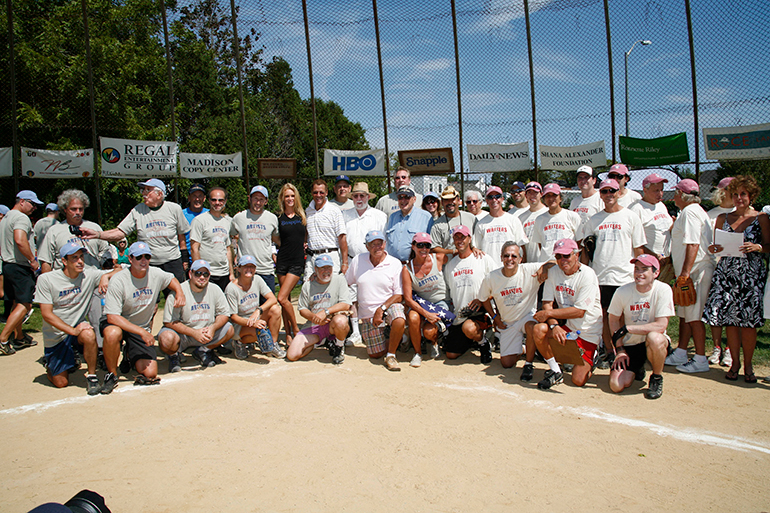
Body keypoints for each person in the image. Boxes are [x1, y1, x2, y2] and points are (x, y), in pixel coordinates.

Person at [703, 175, 770, 383]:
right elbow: (716, 247)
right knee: (730, 321)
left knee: (748, 324)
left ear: (751, 196)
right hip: (728, 274)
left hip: (751, 275)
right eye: (735, 194)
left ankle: (748, 365)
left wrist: (758, 247)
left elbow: (768, 246)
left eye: (743, 194)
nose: (739, 198)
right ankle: (735, 364)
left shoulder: (761, 218)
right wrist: (713, 248)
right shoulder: (723, 219)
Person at [33, 242, 119, 394]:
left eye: (81, 257)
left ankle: (91, 375)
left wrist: (105, 276)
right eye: (74, 258)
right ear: (64, 261)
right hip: (57, 334)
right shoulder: (46, 280)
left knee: (88, 333)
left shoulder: (89, 274)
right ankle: (51, 366)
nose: (80, 261)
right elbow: (46, 314)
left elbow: (119, 269)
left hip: (78, 330)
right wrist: (72, 331)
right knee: (61, 382)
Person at [100, 242, 185, 393]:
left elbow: (171, 278)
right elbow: (112, 317)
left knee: (150, 374)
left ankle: (129, 353)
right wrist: (141, 332)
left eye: (147, 256)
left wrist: (179, 291)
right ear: (130, 258)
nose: (143, 260)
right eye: (139, 257)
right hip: (119, 323)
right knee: (113, 333)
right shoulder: (119, 280)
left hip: (139, 327)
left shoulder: (155, 273)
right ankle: (111, 374)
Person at [38, 189, 116, 353]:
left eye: (81, 209)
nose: (78, 212)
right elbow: (46, 261)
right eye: (73, 209)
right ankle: (64, 349)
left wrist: (106, 275)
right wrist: (48, 287)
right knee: (66, 319)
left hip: (92, 281)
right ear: (65, 209)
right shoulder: (55, 231)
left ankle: (101, 350)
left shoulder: (93, 227)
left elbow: (107, 253)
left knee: (99, 317)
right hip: (67, 285)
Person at [582, 178, 646, 363]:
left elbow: (639, 249)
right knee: (604, 315)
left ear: (619, 192)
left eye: (612, 191)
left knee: (624, 316)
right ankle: (609, 350)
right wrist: (586, 274)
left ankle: (625, 350)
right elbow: (586, 250)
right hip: (600, 275)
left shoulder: (631, 217)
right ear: (600, 195)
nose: (609, 194)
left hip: (624, 275)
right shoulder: (594, 220)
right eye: (605, 191)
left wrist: (639, 273)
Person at [84, 179, 189, 285]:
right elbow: (120, 232)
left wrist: (185, 258)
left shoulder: (174, 209)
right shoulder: (138, 210)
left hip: (172, 262)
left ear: (159, 194)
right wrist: (97, 234)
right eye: (143, 190)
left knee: (177, 296)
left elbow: (182, 236)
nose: (143, 193)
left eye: (148, 190)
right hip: (147, 263)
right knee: (149, 298)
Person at [532, 239, 603, 389]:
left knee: (578, 380)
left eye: (566, 256)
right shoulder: (553, 272)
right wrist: (554, 326)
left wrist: (548, 314)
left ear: (577, 255)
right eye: (558, 256)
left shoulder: (588, 275)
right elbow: (547, 302)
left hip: (588, 331)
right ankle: (556, 371)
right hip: (568, 329)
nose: (562, 260)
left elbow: (579, 311)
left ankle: (593, 356)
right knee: (539, 330)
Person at [478, 242, 550, 379]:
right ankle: (526, 348)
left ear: (520, 259)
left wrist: (545, 267)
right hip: (507, 322)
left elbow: (554, 261)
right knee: (506, 363)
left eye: (514, 256)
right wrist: (494, 317)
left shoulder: (530, 270)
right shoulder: (491, 277)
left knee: (531, 326)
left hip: (526, 317)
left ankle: (528, 364)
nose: (510, 259)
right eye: (506, 256)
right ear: (501, 258)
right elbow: (483, 298)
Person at [665, 179, 716, 373]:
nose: (674, 197)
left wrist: (685, 274)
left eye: (676, 193)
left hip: (697, 270)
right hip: (692, 270)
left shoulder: (690, 211)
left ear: (682, 194)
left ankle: (700, 359)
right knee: (686, 314)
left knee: (694, 316)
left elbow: (693, 244)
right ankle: (681, 352)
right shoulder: (692, 211)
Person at [607, 255, 675, 399]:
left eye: (645, 270)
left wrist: (629, 328)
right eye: (637, 269)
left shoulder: (663, 290)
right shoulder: (623, 291)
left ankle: (656, 378)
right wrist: (619, 349)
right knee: (616, 385)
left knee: (655, 338)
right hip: (631, 344)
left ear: (656, 273)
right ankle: (637, 368)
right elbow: (613, 320)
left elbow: (661, 325)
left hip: (652, 342)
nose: (639, 273)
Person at [345, 230, 406, 371]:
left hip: (389, 307)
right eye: (373, 244)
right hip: (368, 315)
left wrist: (382, 309)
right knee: (375, 354)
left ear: (385, 244)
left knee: (399, 318)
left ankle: (391, 354)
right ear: (367, 246)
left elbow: (399, 295)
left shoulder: (394, 263)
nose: (377, 247)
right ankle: (395, 337)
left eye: (380, 243)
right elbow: (345, 282)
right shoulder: (358, 260)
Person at [158, 260, 235, 371]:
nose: (202, 277)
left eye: (205, 274)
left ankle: (203, 350)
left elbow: (223, 314)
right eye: (198, 273)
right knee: (166, 339)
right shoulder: (179, 291)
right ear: (190, 274)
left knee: (229, 329)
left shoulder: (215, 289)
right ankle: (174, 355)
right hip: (184, 334)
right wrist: (194, 333)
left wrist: (212, 328)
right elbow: (169, 322)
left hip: (206, 332)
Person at [443, 225, 498, 363]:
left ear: (470, 238)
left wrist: (483, 299)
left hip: (480, 310)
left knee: (469, 327)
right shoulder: (450, 265)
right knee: (451, 354)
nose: (460, 240)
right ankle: (471, 340)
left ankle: (483, 343)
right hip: (460, 314)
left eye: (463, 236)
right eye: (457, 237)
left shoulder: (483, 259)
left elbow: (498, 285)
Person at [343, 182, 387, 346]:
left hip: (373, 260)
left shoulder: (379, 215)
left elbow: (384, 241)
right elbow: (341, 240)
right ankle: (355, 331)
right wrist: (345, 261)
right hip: (352, 259)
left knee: (373, 294)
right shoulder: (345, 215)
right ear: (352, 198)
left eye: (362, 195)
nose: (359, 199)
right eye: (356, 196)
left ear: (368, 197)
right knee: (352, 297)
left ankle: (377, 327)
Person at [287, 254, 351, 364]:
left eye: (328, 267)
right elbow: (302, 309)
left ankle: (339, 348)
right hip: (314, 325)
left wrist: (325, 312)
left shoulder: (339, 280)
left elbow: (346, 304)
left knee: (341, 321)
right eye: (322, 268)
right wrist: (314, 318)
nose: (326, 271)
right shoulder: (308, 285)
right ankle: (321, 341)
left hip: (333, 323)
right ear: (315, 269)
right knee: (292, 355)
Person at [0, 190, 43, 355]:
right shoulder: (21, 218)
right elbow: (20, 239)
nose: (34, 208)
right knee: (25, 304)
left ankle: (18, 338)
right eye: (32, 204)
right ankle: (3, 339)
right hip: (19, 266)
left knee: (16, 303)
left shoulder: (5, 218)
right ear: (22, 201)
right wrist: (32, 259)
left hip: (8, 264)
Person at [402, 233, 449, 365]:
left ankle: (433, 341)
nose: (424, 248)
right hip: (421, 304)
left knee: (429, 332)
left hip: (440, 302)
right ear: (413, 246)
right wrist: (426, 314)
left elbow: (461, 254)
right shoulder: (407, 269)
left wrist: (474, 249)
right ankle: (417, 353)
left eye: (427, 245)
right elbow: (408, 298)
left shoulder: (439, 258)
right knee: (412, 317)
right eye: (420, 245)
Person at [225, 255, 284, 360]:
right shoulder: (231, 288)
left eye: (252, 266)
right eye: (245, 266)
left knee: (275, 309)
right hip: (240, 324)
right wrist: (253, 323)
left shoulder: (257, 279)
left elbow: (272, 299)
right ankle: (239, 342)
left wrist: (259, 310)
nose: (249, 269)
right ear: (238, 268)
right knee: (261, 332)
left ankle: (273, 345)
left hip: (254, 316)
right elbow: (233, 317)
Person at [705, 176, 735, 367]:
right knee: (716, 309)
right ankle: (716, 347)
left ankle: (730, 349)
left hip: (736, 268)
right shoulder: (711, 214)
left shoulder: (740, 213)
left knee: (732, 309)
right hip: (716, 266)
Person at [230, 185, 279, 295]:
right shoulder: (239, 218)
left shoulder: (272, 218)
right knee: (245, 306)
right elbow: (231, 236)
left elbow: (276, 239)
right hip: (245, 269)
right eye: (255, 198)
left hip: (266, 269)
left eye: (261, 199)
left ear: (266, 201)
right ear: (249, 199)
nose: (258, 202)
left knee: (270, 307)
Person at [275, 183, 307, 345]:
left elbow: (306, 236)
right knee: (284, 299)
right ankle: (287, 334)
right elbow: (276, 238)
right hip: (282, 261)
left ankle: (296, 330)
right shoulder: (277, 218)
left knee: (281, 297)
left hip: (296, 262)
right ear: (282, 198)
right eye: (286, 196)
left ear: (296, 198)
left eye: (292, 196)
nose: (289, 199)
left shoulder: (302, 216)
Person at [630, 173, 674, 281]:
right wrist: (654, 256)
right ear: (645, 190)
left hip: (666, 262)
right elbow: (634, 240)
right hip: (649, 262)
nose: (660, 194)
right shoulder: (637, 209)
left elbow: (668, 228)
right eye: (656, 190)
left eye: (661, 190)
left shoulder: (661, 206)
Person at [190, 186, 234, 291]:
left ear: (225, 201)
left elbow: (228, 249)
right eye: (214, 200)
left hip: (224, 273)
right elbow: (194, 248)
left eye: (220, 200)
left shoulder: (227, 221)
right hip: (207, 272)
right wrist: (199, 271)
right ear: (209, 200)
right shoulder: (199, 220)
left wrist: (231, 273)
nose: (217, 203)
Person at [474, 186, 528, 265]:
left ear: (502, 199)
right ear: (486, 201)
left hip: (510, 268)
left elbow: (521, 246)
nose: (494, 200)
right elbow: (477, 248)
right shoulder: (480, 224)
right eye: (490, 197)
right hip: (489, 270)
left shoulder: (513, 220)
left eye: (497, 197)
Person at [305, 179, 348, 277]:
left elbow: (342, 237)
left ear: (326, 193)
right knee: (309, 288)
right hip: (312, 258)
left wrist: (345, 262)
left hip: (330, 255)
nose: (318, 195)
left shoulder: (334, 211)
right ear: (312, 193)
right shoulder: (308, 211)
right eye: (315, 192)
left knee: (330, 289)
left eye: (321, 192)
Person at [531, 183, 581, 262]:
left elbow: (579, 241)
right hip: (546, 264)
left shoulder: (572, 216)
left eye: (554, 195)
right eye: (548, 196)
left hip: (566, 263)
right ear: (543, 199)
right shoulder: (539, 219)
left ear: (560, 198)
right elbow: (541, 244)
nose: (551, 199)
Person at [385, 186, 433, 263]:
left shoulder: (426, 217)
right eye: (400, 197)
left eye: (407, 197)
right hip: (393, 265)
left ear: (414, 199)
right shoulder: (393, 217)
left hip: (414, 265)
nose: (403, 200)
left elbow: (432, 244)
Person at [429, 185, 477, 258]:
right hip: (449, 265)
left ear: (458, 200)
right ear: (442, 202)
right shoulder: (437, 225)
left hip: (470, 263)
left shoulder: (471, 218)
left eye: (452, 199)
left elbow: (479, 238)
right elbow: (434, 248)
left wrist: (473, 248)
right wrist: (453, 252)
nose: (450, 202)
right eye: (446, 200)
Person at [517, 182, 547, 263]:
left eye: (535, 193)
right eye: (529, 193)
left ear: (541, 194)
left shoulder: (547, 212)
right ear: (526, 195)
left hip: (545, 261)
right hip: (529, 262)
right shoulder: (521, 217)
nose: (532, 195)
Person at [182, 184, 209, 271]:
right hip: (187, 261)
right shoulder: (181, 214)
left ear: (204, 198)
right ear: (189, 198)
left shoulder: (210, 214)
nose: (197, 199)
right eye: (194, 196)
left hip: (207, 260)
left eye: (200, 196)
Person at [569, 165, 603, 230]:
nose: (583, 180)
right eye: (580, 178)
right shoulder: (574, 201)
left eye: (586, 177)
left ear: (594, 180)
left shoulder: (601, 199)